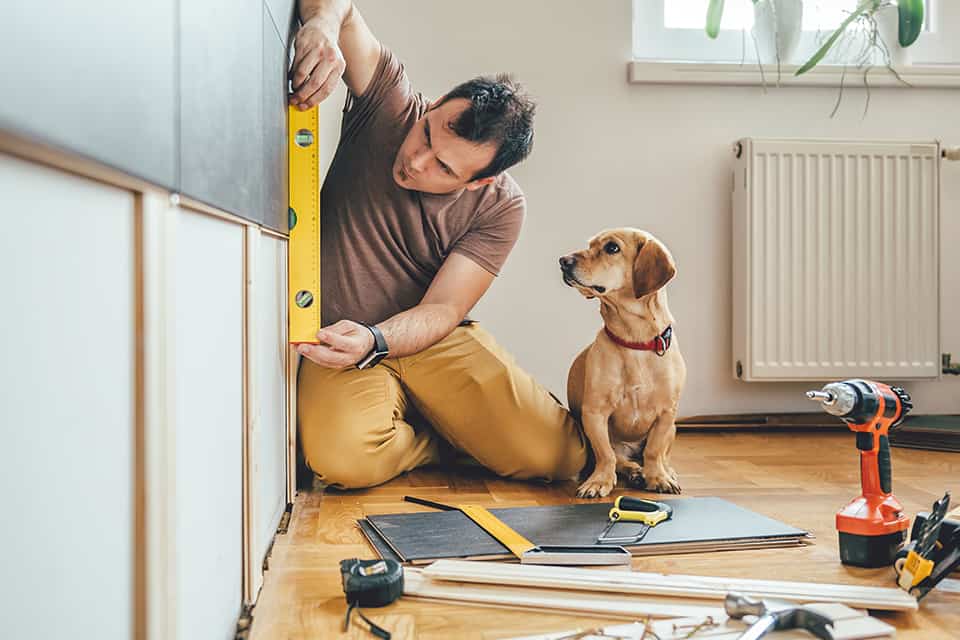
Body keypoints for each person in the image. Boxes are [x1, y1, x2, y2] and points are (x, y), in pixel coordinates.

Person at [290, 0, 586, 489]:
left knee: (560, 456)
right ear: (430, 109)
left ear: (478, 183)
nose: (417, 161)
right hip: (341, 341)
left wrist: (379, 338)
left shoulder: (501, 208)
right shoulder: (388, 104)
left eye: (445, 168)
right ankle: (440, 438)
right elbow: (339, 7)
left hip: (429, 338)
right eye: (427, 134)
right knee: (343, 462)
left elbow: (445, 309)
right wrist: (322, 21)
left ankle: (459, 425)